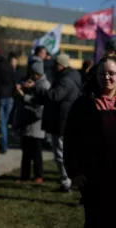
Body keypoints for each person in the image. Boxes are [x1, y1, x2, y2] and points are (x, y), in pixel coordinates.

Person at [64, 54, 116, 227]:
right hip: (94, 179)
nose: (107, 77)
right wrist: (74, 171)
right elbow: (71, 139)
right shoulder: (84, 104)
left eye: (112, 73)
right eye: (103, 74)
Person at [23, 53, 81, 192]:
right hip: (65, 120)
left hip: (62, 122)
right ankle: (67, 181)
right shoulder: (71, 76)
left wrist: (34, 88)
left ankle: (66, 182)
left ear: (60, 65)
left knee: (60, 154)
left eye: (55, 64)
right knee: (64, 153)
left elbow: (54, 96)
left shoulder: (65, 80)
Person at [14, 62, 50, 183]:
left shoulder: (44, 85)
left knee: (36, 151)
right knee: (26, 151)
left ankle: (38, 175)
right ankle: (25, 175)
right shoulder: (34, 83)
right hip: (27, 121)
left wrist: (24, 95)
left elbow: (39, 104)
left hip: (36, 123)